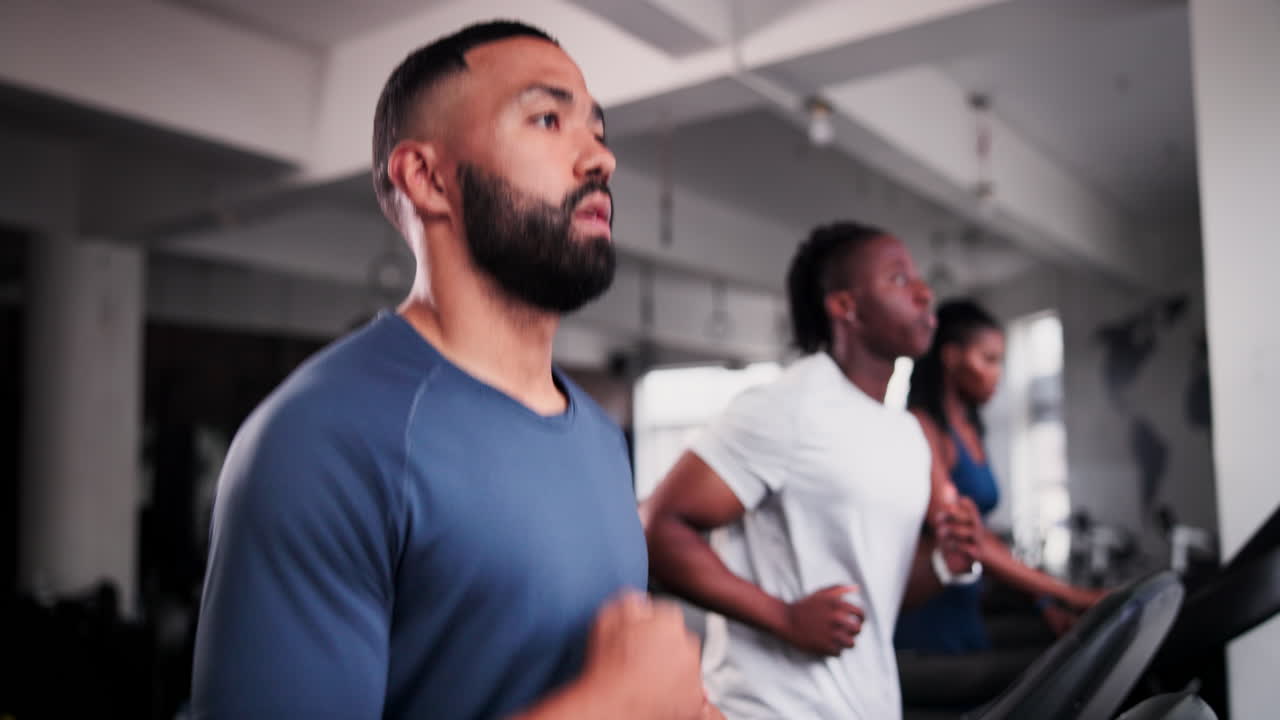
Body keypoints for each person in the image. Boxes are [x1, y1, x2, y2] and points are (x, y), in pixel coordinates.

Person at [191, 21, 716, 720]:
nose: (600, 159)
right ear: (428, 178)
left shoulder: (594, 434)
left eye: (598, 129)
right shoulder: (321, 439)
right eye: (548, 118)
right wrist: (613, 706)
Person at [641, 221, 983, 720]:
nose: (924, 292)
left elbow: (878, 591)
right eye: (897, 279)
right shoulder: (787, 406)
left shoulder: (907, 435)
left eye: (918, 278)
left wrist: (943, 561)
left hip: (870, 705)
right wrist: (783, 617)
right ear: (844, 306)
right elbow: (657, 526)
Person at [895, 299, 1104, 655]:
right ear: (951, 357)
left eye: (1000, 361)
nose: (998, 374)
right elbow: (965, 537)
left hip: (966, 607)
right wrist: (1072, 594)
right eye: (988, 359)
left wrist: (1042, 600)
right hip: (928, 618)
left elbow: (984, 532)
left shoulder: (971, 430)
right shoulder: (921, 427)